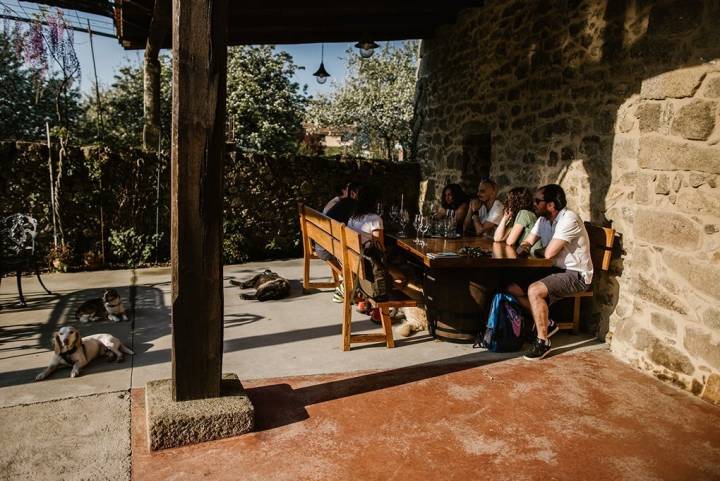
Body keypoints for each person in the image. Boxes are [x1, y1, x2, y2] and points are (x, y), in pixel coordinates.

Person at [510, 184, 593, 361]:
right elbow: (527, 242)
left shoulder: (569, 219)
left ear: (551, 205)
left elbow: (549, 253)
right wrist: (525, 247)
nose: (533, 204)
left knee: (534, 290)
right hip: (556, 268)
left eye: (537, 201)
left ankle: (543, 341)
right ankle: (547, 322)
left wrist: (534, 250)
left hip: (576, 274)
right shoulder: (543, 221)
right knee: (512, 286)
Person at [493, 187, 541, 253]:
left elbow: (510, 242)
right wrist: (505, 218)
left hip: (535, 257)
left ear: (517, 201)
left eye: (509, 200)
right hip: (525, 254)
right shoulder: (517, 216)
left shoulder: (525, 213)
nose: (506, 202)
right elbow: (497, 238)